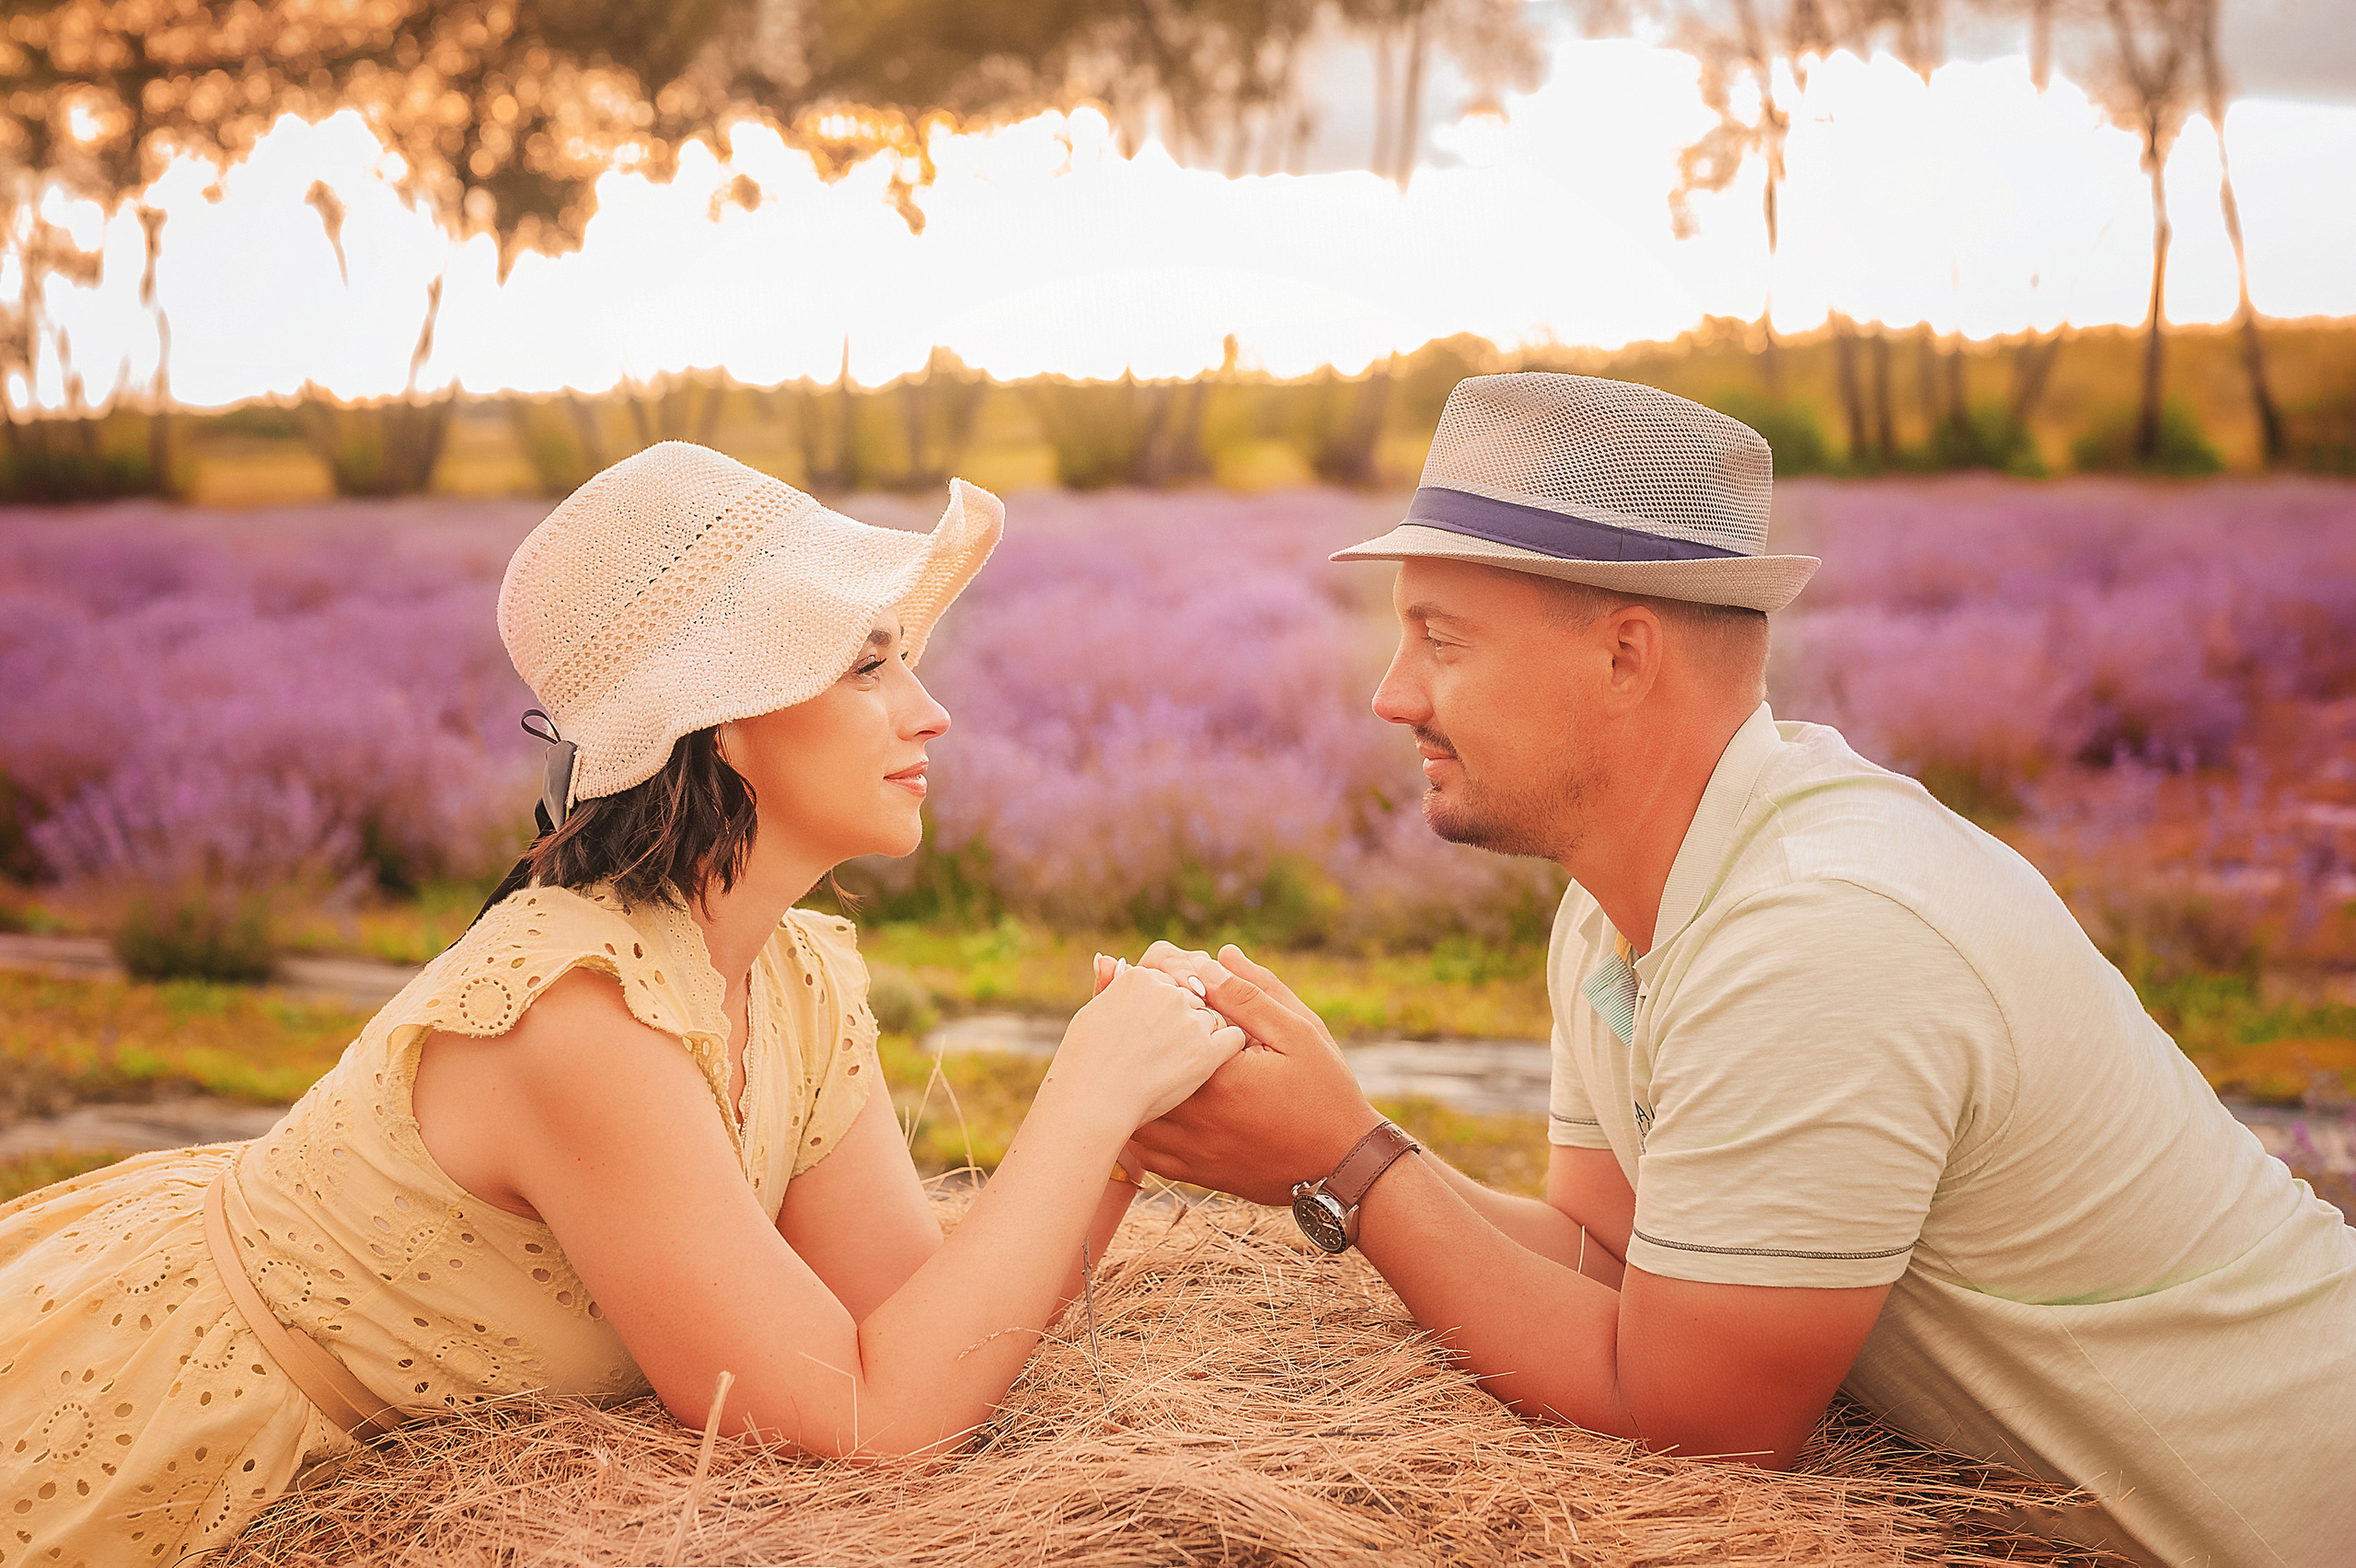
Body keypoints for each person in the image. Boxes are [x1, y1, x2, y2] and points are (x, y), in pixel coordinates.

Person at [1128, 373, 2356, 1568]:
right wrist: (1324, 1129)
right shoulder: (1621, 900)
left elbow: (1702, 1426)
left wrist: (1349, 1164)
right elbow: (1604, 1259)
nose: (1394, 697)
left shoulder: (1821, 930)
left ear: (1623, 657)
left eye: (1440, 640)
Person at [0, 443, 1245, 1562]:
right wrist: (1082, 1094)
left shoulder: (801, 979)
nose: (931, 709)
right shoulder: (578, 1019)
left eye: (906, 659)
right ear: (724, 723)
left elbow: (920, 1329)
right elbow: (870, 1421)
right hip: (177, 1421)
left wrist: (1122, 1136)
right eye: (869, 664)